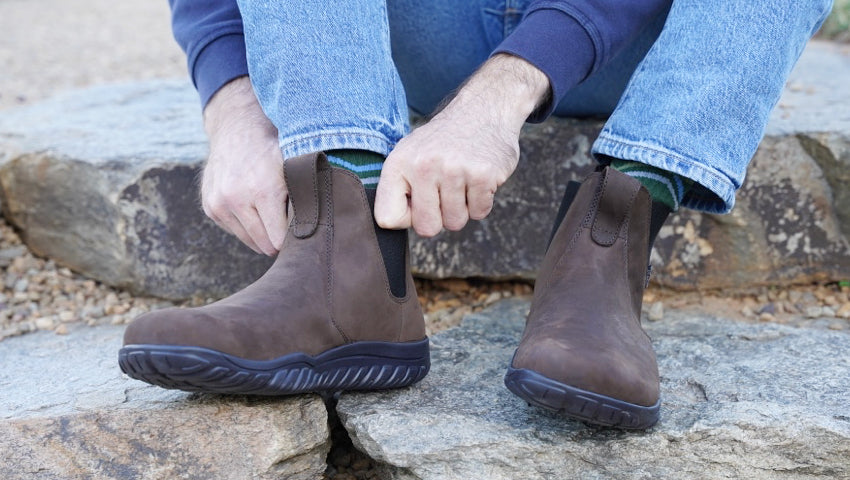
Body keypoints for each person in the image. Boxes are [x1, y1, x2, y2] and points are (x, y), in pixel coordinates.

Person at [119, 0, 833, 430]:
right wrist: (236, 103)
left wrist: (499, 98)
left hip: (637, 40)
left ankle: (607, 244)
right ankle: (341, 256)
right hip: (410, 31)